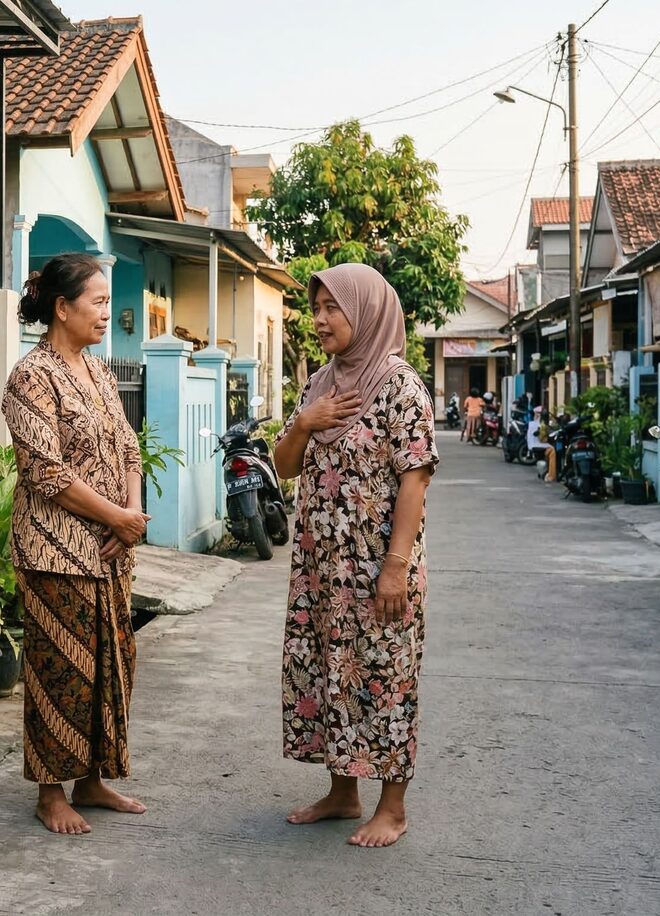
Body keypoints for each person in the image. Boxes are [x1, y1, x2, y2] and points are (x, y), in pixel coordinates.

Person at [272, 262, 438, 849]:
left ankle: (392, 807)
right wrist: (303, 421)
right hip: (322, 570)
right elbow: (285, 467)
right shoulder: (320, 384)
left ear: (364, 312)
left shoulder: (399, 385)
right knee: (328, 672)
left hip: (376, 570)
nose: (318, 320)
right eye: (314, 309)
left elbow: (414, 481)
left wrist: (395, 567)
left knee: (386, 677)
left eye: (330, 309)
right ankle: (344, 792)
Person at [1, 252, 151, 836]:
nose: (107, 313)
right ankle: (50, 792)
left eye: (109, 302)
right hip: (54, 551)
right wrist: (116, 517)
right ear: (62, 309)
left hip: (112, 553)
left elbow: (129, 449)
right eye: (99, 302)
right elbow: (47, 473)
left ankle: (91, 779)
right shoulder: (31, 377)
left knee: (114, 666)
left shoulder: (99, 372)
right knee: (62, 671)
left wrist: (130, 514)